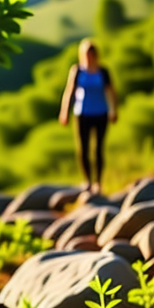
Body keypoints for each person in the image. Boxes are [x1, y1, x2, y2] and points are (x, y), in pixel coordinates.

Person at [59, 38, 119, 194]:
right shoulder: (77, 71)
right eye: (87, 53)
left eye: (92, 53)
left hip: (101, 113)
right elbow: (69, 92)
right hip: (82, 114)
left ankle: (98, 182)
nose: (89, 56)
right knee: (83, 149)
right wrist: (64, 111)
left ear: (96, 55)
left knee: (98, 148)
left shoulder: (103, 71)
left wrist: (114, 110)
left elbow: (111, 91)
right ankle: (88, 181)